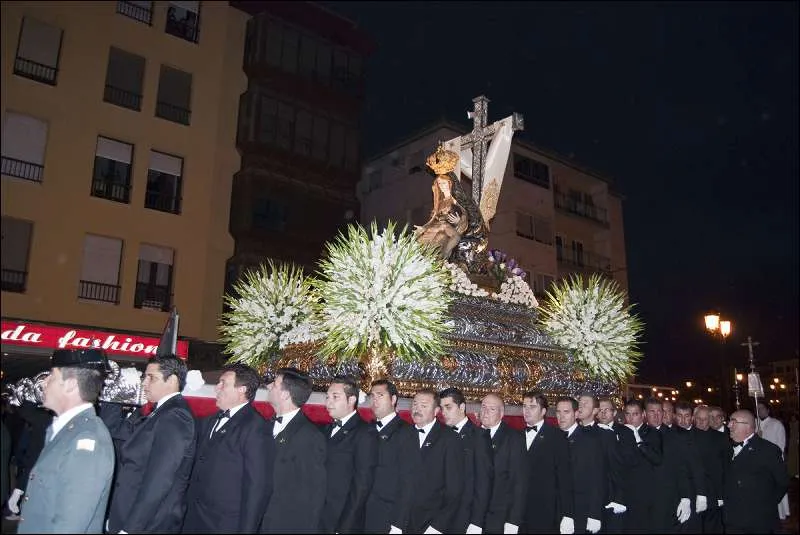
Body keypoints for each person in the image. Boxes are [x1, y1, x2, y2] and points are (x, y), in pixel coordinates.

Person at [17, 348, 114, 534]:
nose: (44, 383)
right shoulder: (66, 432)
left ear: (70, 385)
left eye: (51, 377)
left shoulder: (86, 440)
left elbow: (68, 526)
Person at [102, 355, 196, 534]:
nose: (144, 383)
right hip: (128, 517)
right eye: (144, 377)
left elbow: (159, 480)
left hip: (148, 525)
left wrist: (130, 528)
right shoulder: (159, 412)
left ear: (173, 380)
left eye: (151, 377)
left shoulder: (175, 416)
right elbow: (116, 432)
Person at [182, 364, 274, 533]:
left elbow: (257, 487)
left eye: (223, 383)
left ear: (242, 390)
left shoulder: (256, 427)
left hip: (224, 525)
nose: (216, 387)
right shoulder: (209, 421)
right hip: (193, 519)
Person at [261, 367, 326, 533]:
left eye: (274, 384)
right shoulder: (264, 425)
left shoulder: (309, 436)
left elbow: (313, 498)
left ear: (285, 394)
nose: (268, 387)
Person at [391, 389, 463, 534]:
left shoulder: (450, 439)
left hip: (431, 525)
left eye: (423, 406)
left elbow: (454, 491)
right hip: (398, 522)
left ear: (436, 410)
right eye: (415, 404)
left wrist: (437, 527)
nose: (417, 409)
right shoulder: (401, 435)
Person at [319, 376, 377, 533]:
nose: (328, 402)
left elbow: (362, 485)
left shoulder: (365, 432)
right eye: (327, 397)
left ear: (351, 400)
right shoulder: (325, 429)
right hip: (318, 517)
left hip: (340, 520)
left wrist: (345, 526)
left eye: (335, 397)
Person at [724, 409, 790, 533]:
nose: (728, 425)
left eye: (733, 422)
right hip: (733, 519)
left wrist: (766, 503)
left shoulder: (768, 450)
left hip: (758, 521)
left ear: (748, 426)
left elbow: (783, 482)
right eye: (729, 422)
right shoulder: (727, 447)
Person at [439, 387, 493, 534]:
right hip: (439, 515)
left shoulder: (479, 437)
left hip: (464, 517)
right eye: (442, 408)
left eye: (448, 407)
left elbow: (483, 482)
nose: (443, 413)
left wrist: (476, 522)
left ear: (462, 407)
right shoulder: (440, 435)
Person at [364, 379, 414, 533]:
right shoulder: (366, 429)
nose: (375, 400)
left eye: (380, 395)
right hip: (361, 513)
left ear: (393, 399)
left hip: (387, 516)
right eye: (372, 396)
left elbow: (408, 482)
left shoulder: (408, 432)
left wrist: (398, 524)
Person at [521, 391, 574, 534]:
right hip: (519, 513)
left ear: (543, 411)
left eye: (532, 407)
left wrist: (568, 514)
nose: (526, 410)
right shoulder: (516, 436)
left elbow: (565, 478)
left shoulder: (557, 437)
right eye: (524, 406)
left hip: (546, 512)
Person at [556, 397, 604, 534]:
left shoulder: (589, 441)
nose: (561, 416)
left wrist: (594, 515)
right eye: (558, 412)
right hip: (556, 509)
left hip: (581, 510)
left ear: (576, 414)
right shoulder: (553, 437)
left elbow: (597, 480)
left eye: (566, 412)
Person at [480, 393, 525, 534]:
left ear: (501, 413)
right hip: (472, 516)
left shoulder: (514, 439)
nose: (485, 412)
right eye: (483, 407)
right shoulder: (472, 435)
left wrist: (513, 521)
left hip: (499, 517)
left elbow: (519, 483)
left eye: (492, 409)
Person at [596, 397, 636, 533]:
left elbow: (629, 464)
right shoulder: (590, 431)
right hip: (596, 496)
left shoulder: (626, 432)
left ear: (614, 413)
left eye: (606, 410)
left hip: (618, 495)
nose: (603, 413)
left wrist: (620, 497)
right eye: (600, 410)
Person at [622, 398, 662, 533]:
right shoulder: (621, 432)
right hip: (626, 492)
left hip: (646, 494)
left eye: (635, 414)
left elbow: (657, 459)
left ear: (643, 414)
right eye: (628, 414)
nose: (631, 418)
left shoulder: (652, 432)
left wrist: (638, 440)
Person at [414, 172, 469, 261]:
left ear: (449, 183)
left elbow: (465, 213)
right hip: (435, 227)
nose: (441, 186)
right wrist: (423, 228)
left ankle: (443, 257)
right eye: (439, 183)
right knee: (419, 240)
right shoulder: (439, 202)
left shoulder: (455, 199)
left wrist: (459, 221)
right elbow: (433, 219)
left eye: (444, 183)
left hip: (446, 229)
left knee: (441, 240)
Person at [691, 405, 729, 534]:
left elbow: (726, 467)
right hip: (693, 491)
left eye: (705, 419)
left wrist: (721, 494)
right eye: (699, 418)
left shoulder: (721, 438)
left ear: (710, 420)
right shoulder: (686, 437)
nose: (702, 422)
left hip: (714, 492)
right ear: (694, 418)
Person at [757, 401, 790, 521]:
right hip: (759, 463)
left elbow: (781, 445)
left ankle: (780, 514)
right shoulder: (755, 424)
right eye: (757, 408)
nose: (760, 411)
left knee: (775, 489)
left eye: (762, 408)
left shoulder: (776, 424)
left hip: (773, 462)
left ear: (768, 410)